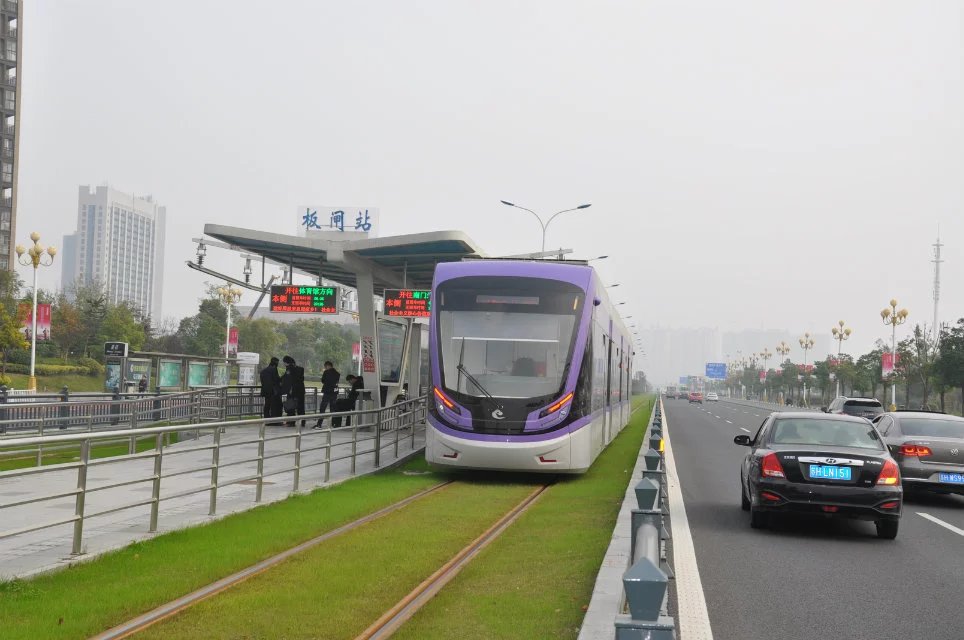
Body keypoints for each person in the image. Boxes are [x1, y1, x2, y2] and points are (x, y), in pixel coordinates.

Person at [280, 355, 306, 426]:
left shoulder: (289, 369)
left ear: (286, 362)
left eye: (284, 362)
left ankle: (291, 422)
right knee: (301, 407)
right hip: (301, 390)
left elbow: (287, 379)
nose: (284, 364)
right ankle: (302, 422)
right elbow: (301, 379)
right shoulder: (301, 369)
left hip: (292, 390)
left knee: (291, 406)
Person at [314, 361, 341, 428]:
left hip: (327, 392)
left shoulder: (326, 372)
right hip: (334, 393)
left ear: (328, 365)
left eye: (325, 366)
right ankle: (333, 423)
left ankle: (319, 424)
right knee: (333, 408)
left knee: (323, 408)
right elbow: (336, 382)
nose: (325, 368)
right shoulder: (337, 373)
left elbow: (323, 380)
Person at [259, 357, 282, 421]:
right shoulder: (274, 369)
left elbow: (262, 381)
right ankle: (274, 421)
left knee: (267, 405)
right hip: (273, 392)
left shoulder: (263, 371)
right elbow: (276, 379)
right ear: (276, 363)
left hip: (265, 391)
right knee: (274, 406)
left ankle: (266, 420)